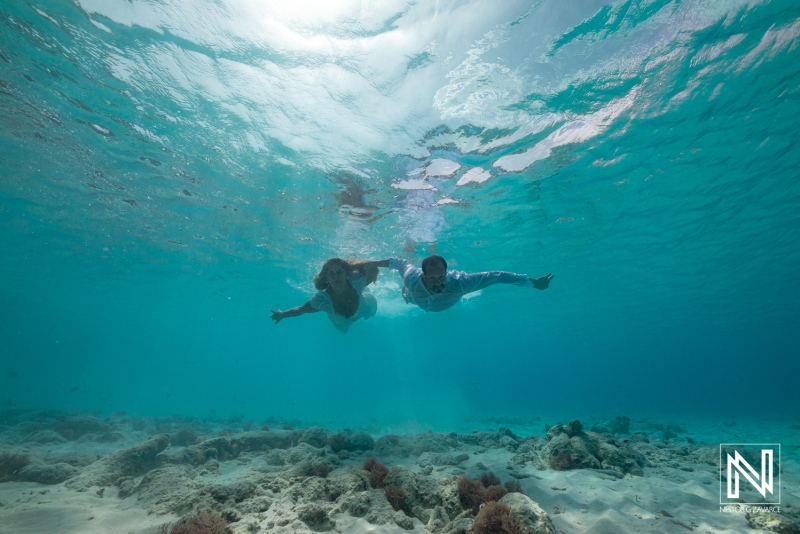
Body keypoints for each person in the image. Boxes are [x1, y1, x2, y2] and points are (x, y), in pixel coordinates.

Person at [389, 255, 553, 312]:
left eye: (441, 277)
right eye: (432, 278)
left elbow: (494, 276)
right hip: (414, 296)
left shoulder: (460, 284)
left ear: (446, 274)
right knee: (408, 295)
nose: (438, 282)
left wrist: (531, 283)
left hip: (437, 301)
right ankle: (404, 292)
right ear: (424, 276)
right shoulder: (412, 278)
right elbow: (399, 262)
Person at [270, 258, 388, 333]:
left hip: (365, 305)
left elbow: (373, 270)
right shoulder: (322, 300)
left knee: (371, 313)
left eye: (339, 272)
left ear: (346, 273)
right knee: (343, 330)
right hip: (342, 320)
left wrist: (353, 266)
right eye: (331, 273)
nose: (335, 276)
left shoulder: (356, 281)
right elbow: (301, 310)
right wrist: (283, 314)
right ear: (326, 278)